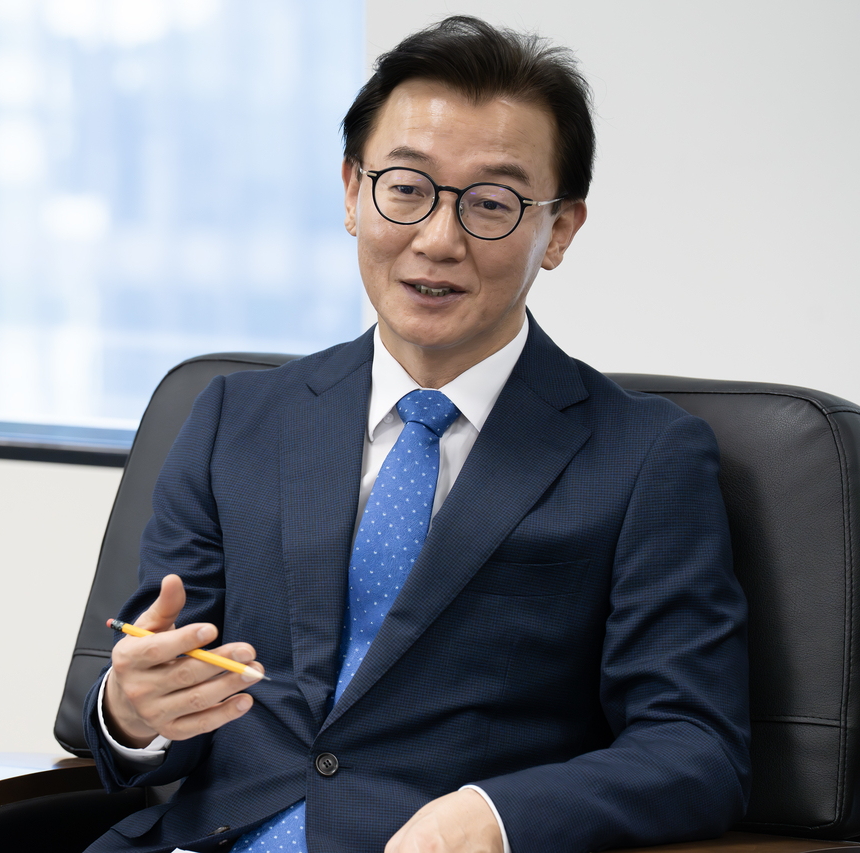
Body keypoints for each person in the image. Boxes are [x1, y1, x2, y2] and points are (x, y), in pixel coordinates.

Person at [82, 16, 750, 853]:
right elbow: (158, 684)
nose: (438, 239)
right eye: (406, 188)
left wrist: (496, 817)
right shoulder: (231, 418)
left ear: (560, 230)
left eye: (492, 203)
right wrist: (132, 711)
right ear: (353, 193)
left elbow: (696, 746)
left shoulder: (645, 456)